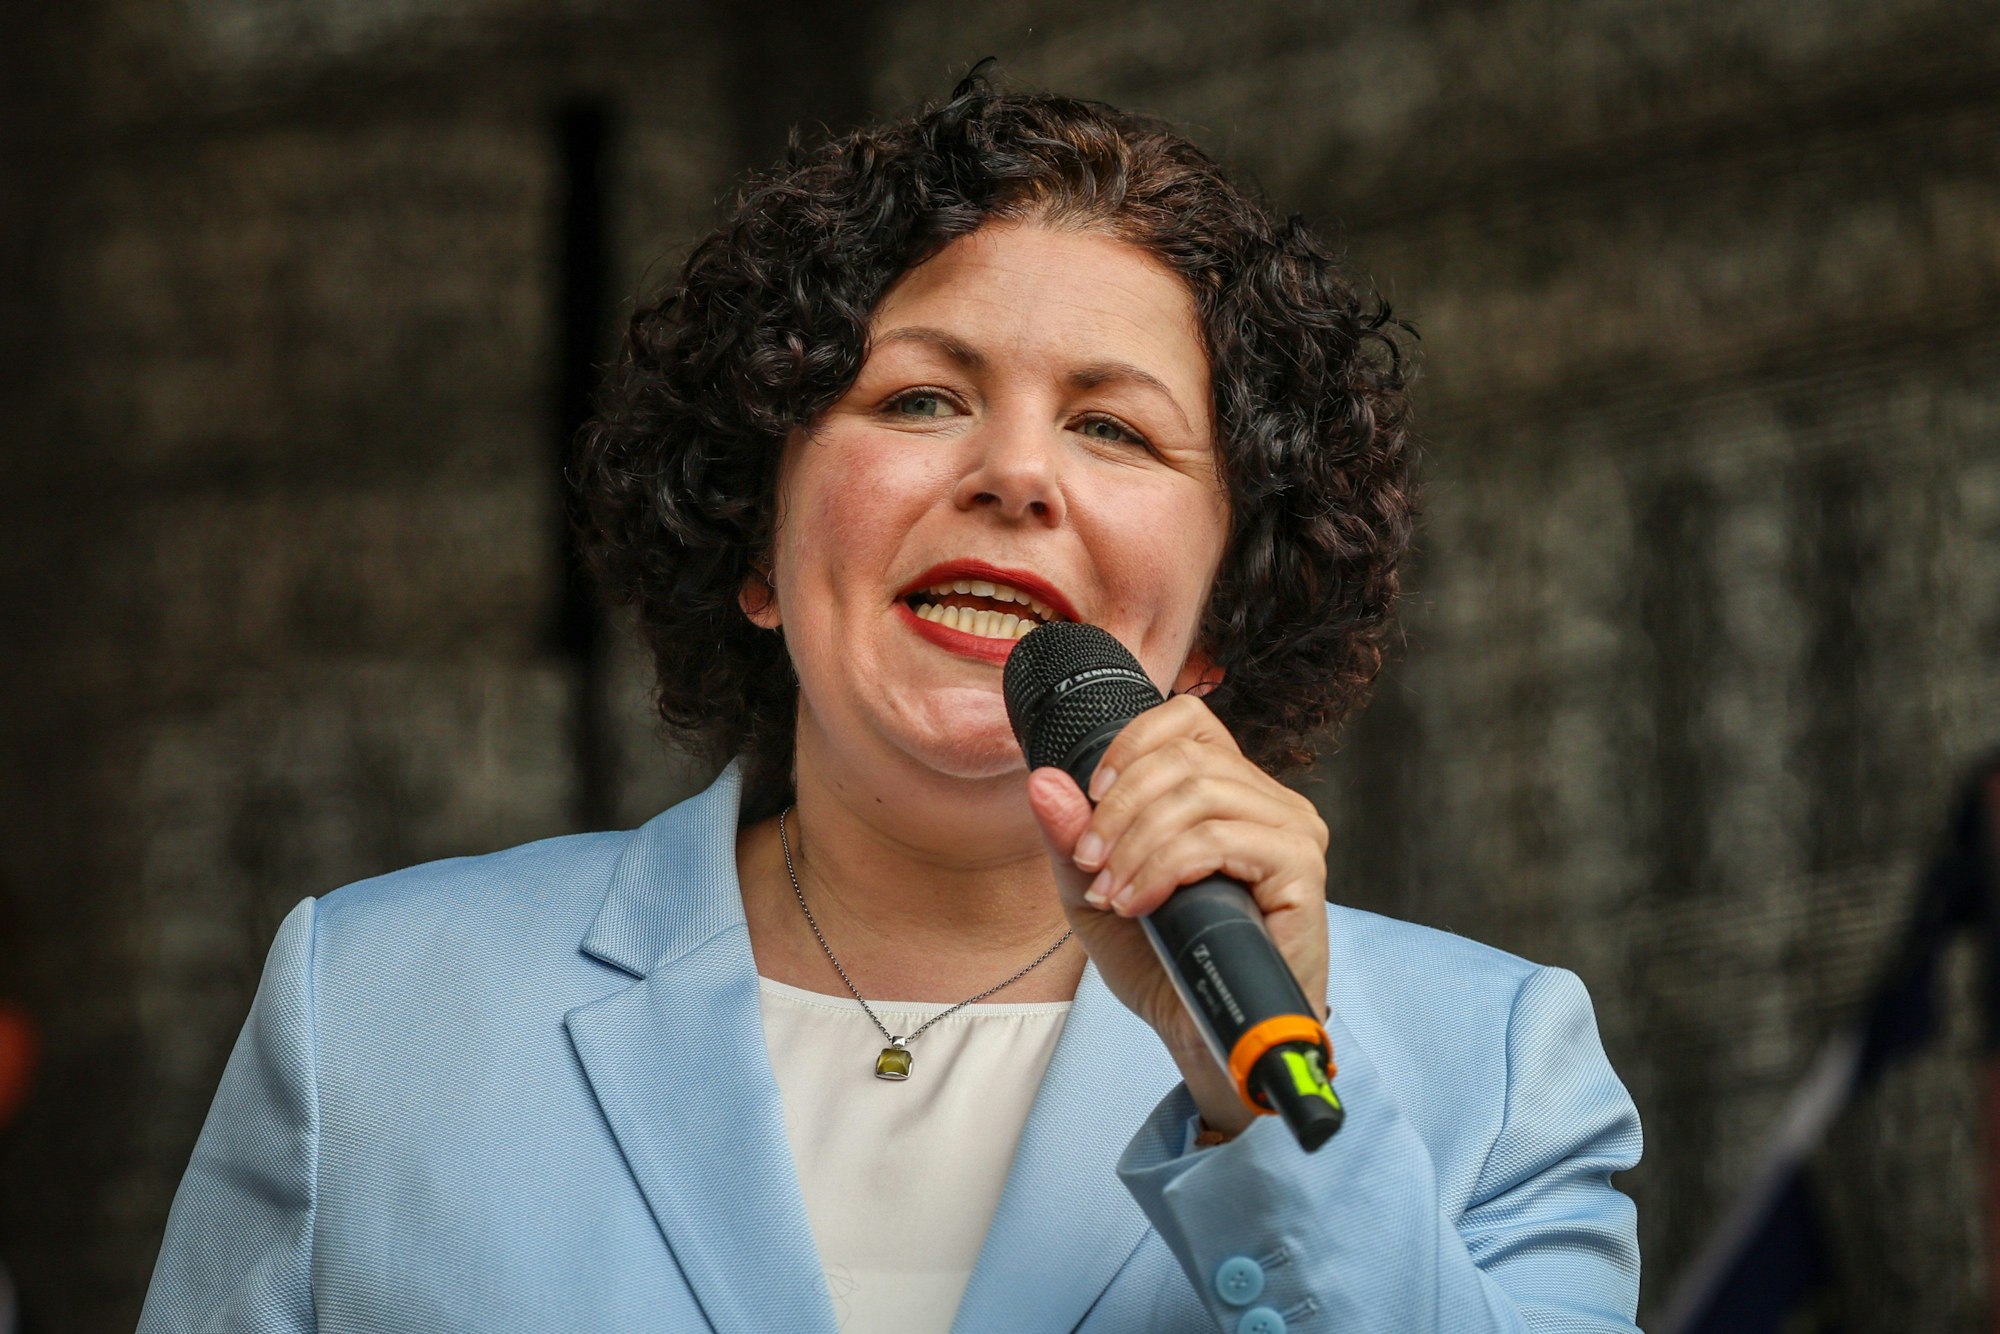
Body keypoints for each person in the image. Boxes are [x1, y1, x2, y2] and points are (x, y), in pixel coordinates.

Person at [140, 71, 1641, 1333]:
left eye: (1114, 427)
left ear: (1220, 622)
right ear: (758, 544)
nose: (1015, 472)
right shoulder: (376, 1012)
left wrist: (1262, 1103)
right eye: (920, 397)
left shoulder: (1490, 1068)